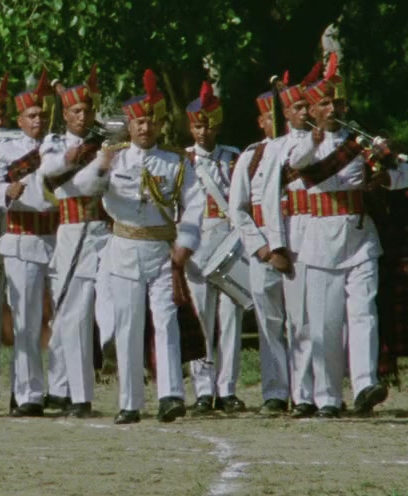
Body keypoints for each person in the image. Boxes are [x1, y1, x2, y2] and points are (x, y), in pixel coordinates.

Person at [283, 54, 408, 418]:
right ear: (312, 109)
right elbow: (298, 165)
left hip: (359, 238)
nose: (333, 109)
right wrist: (314, 138)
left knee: (363, 313)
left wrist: (387, 172)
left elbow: (407, 175)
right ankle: (327, 396)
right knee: (325, 324)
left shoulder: (362, 140)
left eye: (337, 102)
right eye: (325, 103)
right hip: (319, 241)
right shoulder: (301, 143)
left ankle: (364, 385)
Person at [74, 70, 205, 425]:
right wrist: (101, 166)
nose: (145, 128)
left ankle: (170, 395)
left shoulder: (176, 161)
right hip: (124, 247)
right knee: (128, 323)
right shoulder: (114, 157)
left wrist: (186, 243)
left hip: (161, 249)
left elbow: (194, 204)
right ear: (129, 125)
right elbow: (83, 187)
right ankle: (130, 401)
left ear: (160, 124)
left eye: (151, 121)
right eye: (138, 122)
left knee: (166, 321)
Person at [0, 72, 67, 416]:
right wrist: (7, 189)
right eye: (31, 115)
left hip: (59, 237)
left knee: (65, 317)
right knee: (27, 321)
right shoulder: (6, 151)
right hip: (22, 238)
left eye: (42, 115)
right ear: (19, 120)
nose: (38, 120)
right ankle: (28, 393)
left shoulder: (60, 146)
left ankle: (61, 389)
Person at [35, 67, 107, 417]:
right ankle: (78, 395)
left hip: (107, 231)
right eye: (76, 111)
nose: (82, 116)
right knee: (73, 312)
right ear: (65, 114)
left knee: (112, 308)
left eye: (87, 110)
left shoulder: (105, 141)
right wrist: (72, 157)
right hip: (72, 230)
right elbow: (48, 170)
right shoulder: (55, 143)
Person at [259, 65, 323, 419]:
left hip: (325, 231)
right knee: (298, 319)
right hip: (294, 232)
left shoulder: (327, 142)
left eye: (307, 106)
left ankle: (325, 391)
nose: (304, 112)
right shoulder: (276, 149)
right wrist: (276, 245)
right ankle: (301, 394)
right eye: (297, 107)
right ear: (285, 113)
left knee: (323, 315)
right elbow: (269, 200)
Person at [226, 89, 292, 416]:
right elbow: (237, 210)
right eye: (270, 117)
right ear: (261, 121)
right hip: (264, 250)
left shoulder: (301, 151)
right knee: (270, 323)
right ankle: (276, 392)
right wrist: (263, 249)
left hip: (301, 246)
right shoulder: (251, 157)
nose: (277, 123)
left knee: (305, 323)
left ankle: (309, 393)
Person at [181, 81, 243, 414]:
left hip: (229, 241)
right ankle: (203, 390)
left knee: (230, 318)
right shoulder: (182, 160)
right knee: (201, 319)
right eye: (196, 126)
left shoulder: (233, 158)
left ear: (216, 125)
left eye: (207, 126)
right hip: (197, 241)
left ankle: (227, 389)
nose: (202, 132)